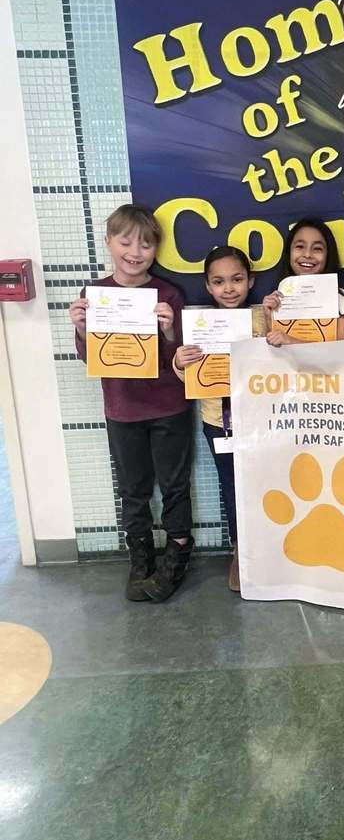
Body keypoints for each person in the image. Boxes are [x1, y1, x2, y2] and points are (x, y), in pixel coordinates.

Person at [68, 205, 193, 602]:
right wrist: (83, 329)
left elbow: (183, 361)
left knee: (174, 485)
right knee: (133, 488)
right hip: (122, 408)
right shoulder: (95, 296)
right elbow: (91, 358)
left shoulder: (168, 294)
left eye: (145, 244)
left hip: (169, 407)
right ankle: (140, 557)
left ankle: (177, 553)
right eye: (125, 242)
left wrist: (169, 331)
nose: (135, 252)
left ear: (156, 249)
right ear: (109, 242)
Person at [173, 246, 264, 593]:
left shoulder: (263, 317)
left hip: (262, 418)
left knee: (268, 483)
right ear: (208, 286)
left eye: (237, 279)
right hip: (218, 421)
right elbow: (188, 376)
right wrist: (180, 362)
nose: (229, 289)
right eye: (219, 281)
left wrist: (273, 330)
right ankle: (241, 553)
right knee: (231, 486)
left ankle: (271, 552)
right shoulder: (200, 324)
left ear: (250, 281)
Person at [262, 219, 344, 344]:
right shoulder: (277, 300)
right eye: (300, 247)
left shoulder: (341, 300)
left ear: (328, 255)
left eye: (317, 249)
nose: (307, 254)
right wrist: (269, 319)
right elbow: (273, 348)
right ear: (289, 252)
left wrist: (291, 341)